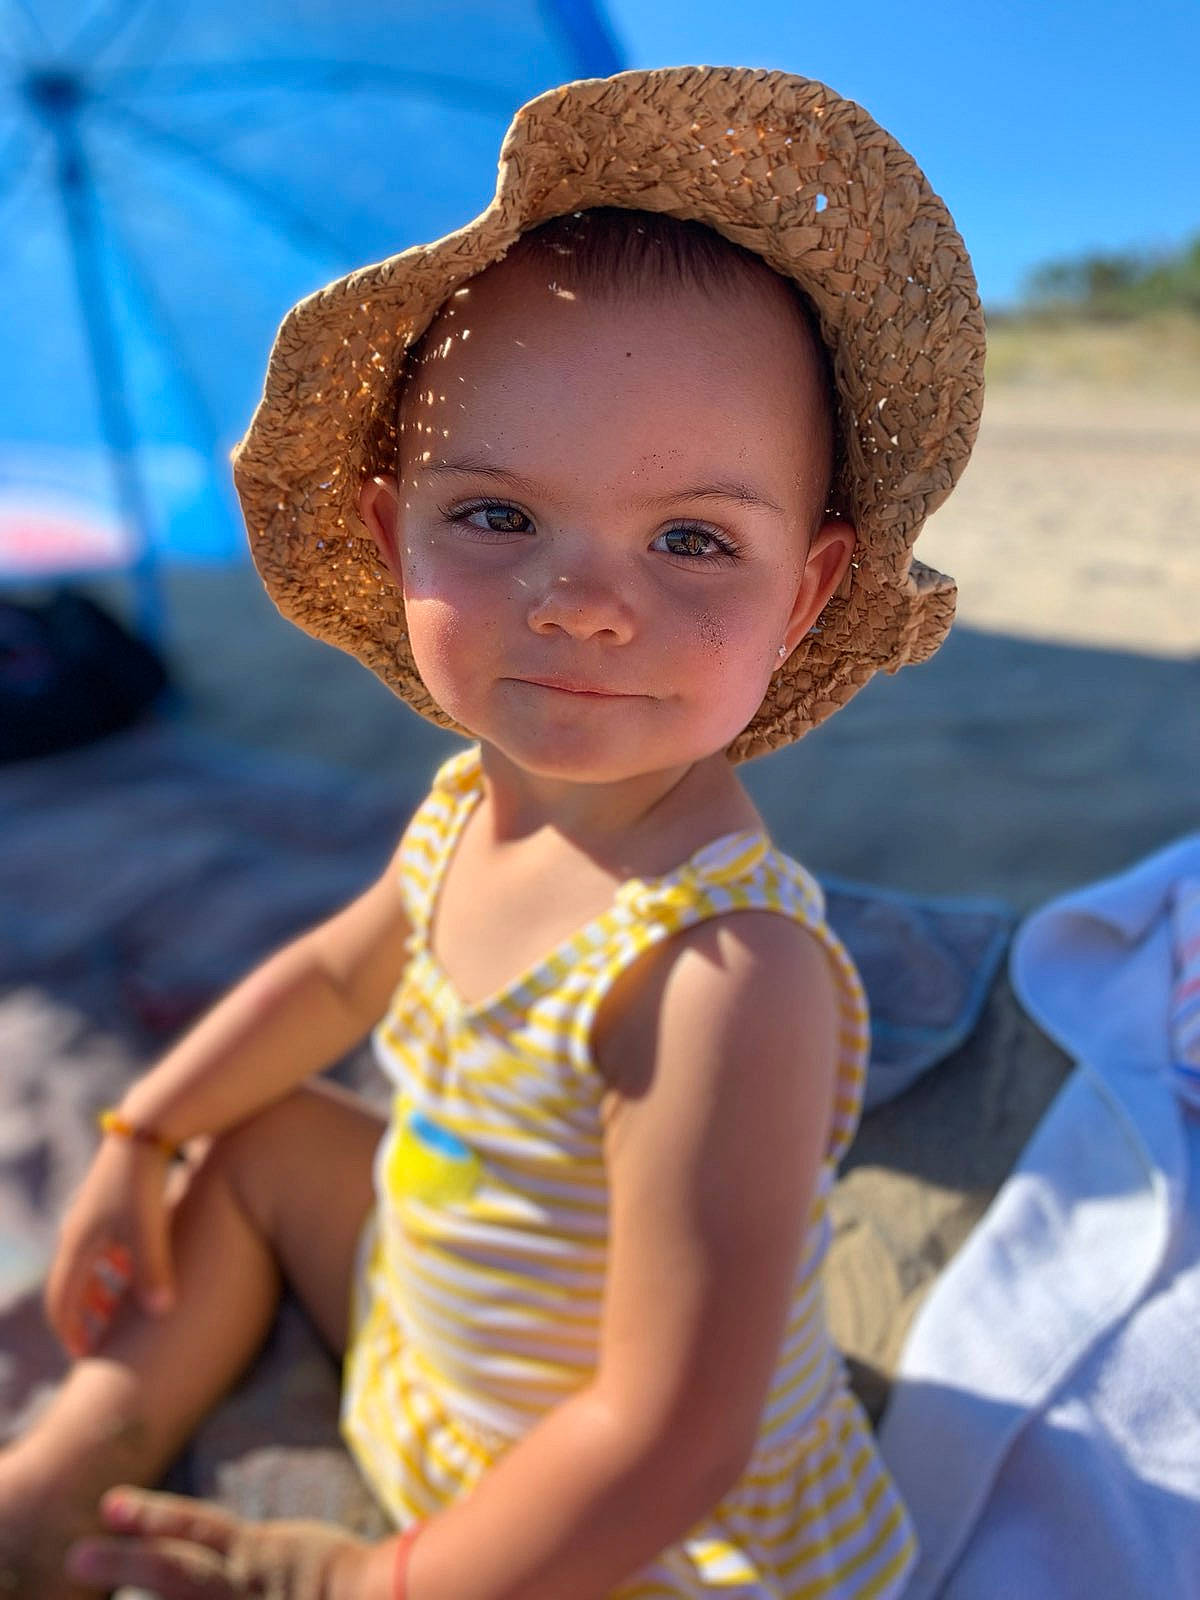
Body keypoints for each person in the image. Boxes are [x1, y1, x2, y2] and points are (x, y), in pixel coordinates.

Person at [0, 65, 983, 1600]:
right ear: (397, 536)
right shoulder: (470, 804)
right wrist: (146, 1134)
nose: (585, 600)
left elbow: (670, 1440)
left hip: (611, 1529)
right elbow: (329, 985)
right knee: (260, 1139)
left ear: (803, 598)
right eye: (501, 517)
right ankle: (72, 1462)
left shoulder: (723, 972)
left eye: (692, 541)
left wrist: (346, 1579)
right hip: (440, 1363)